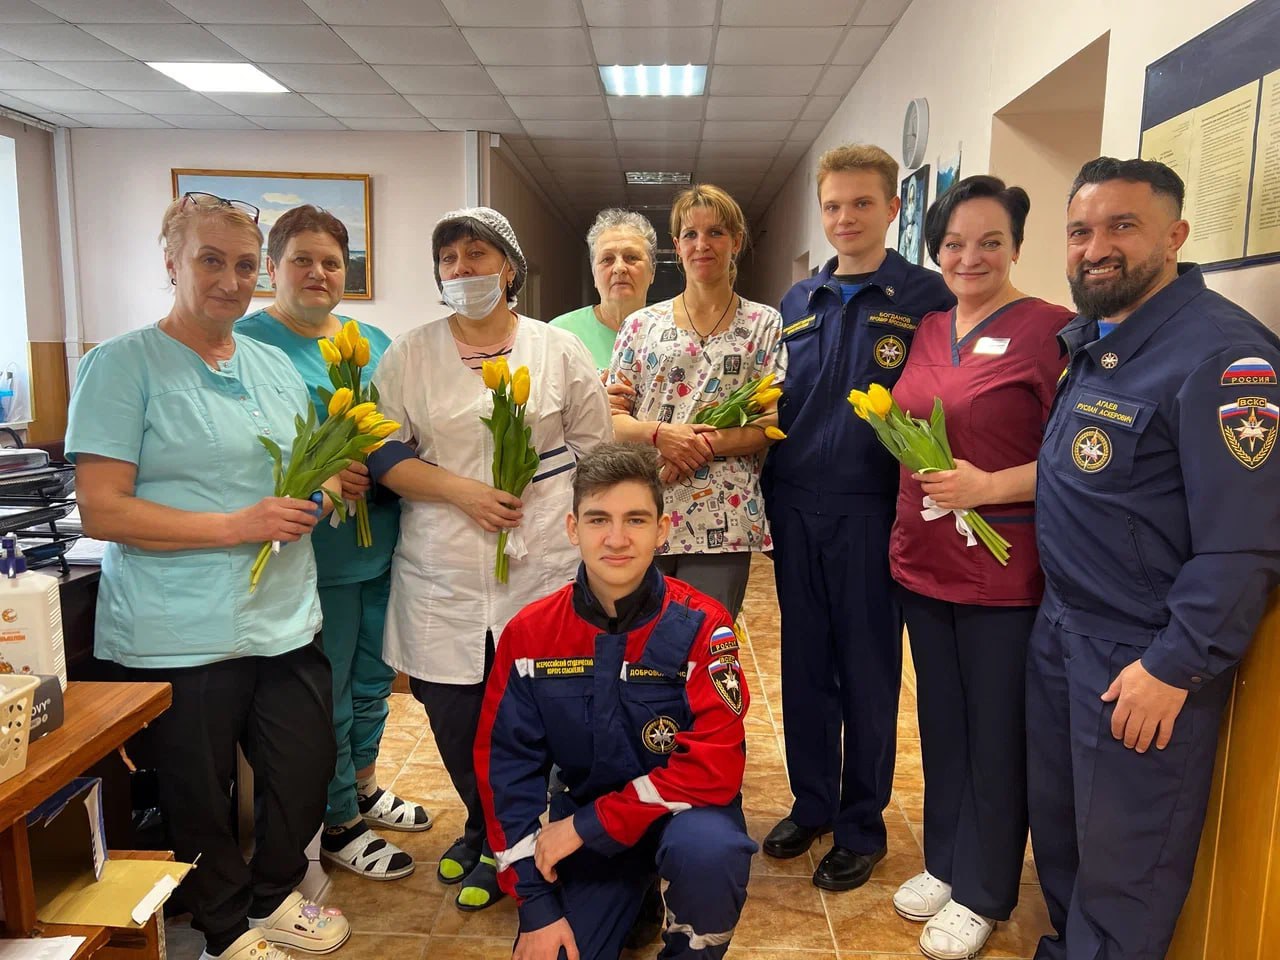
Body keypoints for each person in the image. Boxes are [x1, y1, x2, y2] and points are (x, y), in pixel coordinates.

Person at [65, 192, 348, 960]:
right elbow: (102, 509)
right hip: (178, 628)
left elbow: (310, 467)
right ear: (172, 263)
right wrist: (235, 527)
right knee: (196, 790)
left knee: (305, 767)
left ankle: (274, 895)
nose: (230, 280)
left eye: (245, 265)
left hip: (283, 615)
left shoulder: (270, 365)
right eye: (211, 261)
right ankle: (224, 928)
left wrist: (320, 495)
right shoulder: (120, 365)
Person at [1028, 157, 1280, 960]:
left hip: (1140, 653)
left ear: (1175, 236)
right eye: (1080, 231)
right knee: (1063, 834)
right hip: (1064, 631)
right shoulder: (1100, 340)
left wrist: (1174, 665)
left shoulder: (1226, 359)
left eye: (1122, 226)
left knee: (1124, 868)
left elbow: (1245, 541)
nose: (1095, 247)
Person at [365, 207, 612, 911]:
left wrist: (563, 511)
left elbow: (594, 447)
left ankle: (517, 837)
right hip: (442, 560)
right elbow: (382, 450)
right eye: (449, 259)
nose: (463, 269)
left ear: (509, 268)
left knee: (532, 712)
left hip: (539, 556)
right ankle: (483, 827)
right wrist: (463, 492)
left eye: (477, 255)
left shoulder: (556, 349)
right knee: (453, 713)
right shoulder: (410, 354)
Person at [475, 441, 757, 960]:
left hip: (680, 817)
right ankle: (635, 897)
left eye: (636, 520)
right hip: (586, 824)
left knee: (710, 853)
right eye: (598, 519)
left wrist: (589, 825)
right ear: (572, 528)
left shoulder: (704, 626)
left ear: (662, 529)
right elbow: (505, 773)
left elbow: (714, 770)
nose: (617, 538)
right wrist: (536, 906)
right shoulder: (530, 635)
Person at [887, 176, 1073, 960]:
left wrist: (989, 487)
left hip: (1004, 571)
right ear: (936, 250)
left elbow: (1074, 456)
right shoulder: (930, 327)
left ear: (1017, 247)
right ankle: (945, 860)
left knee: (997, 732)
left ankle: (987, 889)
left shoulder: (1053, 332)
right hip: (924, 561)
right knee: (942, 723)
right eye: (955, 243)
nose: (971, 257)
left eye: (990, 241)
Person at [762, 145, 954, 891]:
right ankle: (811, 804)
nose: (846, 218)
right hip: (794, 504)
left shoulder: (928, 298)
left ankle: (860, 825)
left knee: (868, 671)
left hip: (874, 510)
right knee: (805, 666)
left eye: (862, 203)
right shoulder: (796, 301)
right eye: (834, 205)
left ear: (893, 209)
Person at [236, 205, 431, 883]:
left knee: (377, 678)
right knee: (335, 689)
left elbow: (395, 428)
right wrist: (323, 470)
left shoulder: (370, 340)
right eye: (302, 260)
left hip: (385, 539)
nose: (317, 273)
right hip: (320, 553)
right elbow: (242, 453)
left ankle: (366, 784)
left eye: (331, 262)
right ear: (273, 268)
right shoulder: (249, 345)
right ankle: (339, 818)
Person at [607, 183, 784, 620]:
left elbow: (770, 422)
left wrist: (696, 445)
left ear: (736, 242)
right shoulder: (640, 326)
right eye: (690, 234)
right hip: (644, 508)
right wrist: (660, 435)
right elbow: (611, 419)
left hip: (723, 516)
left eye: (716, 233)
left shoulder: (764, 324)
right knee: (638, 638)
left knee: (705, 642)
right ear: (676, 245)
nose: (702, 244)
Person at [550, 208, 658, 370]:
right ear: (594, 274)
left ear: (652, 272)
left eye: (631, 257)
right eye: (607, 259)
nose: (619, 268)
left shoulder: (671, 335)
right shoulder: (558, 333)